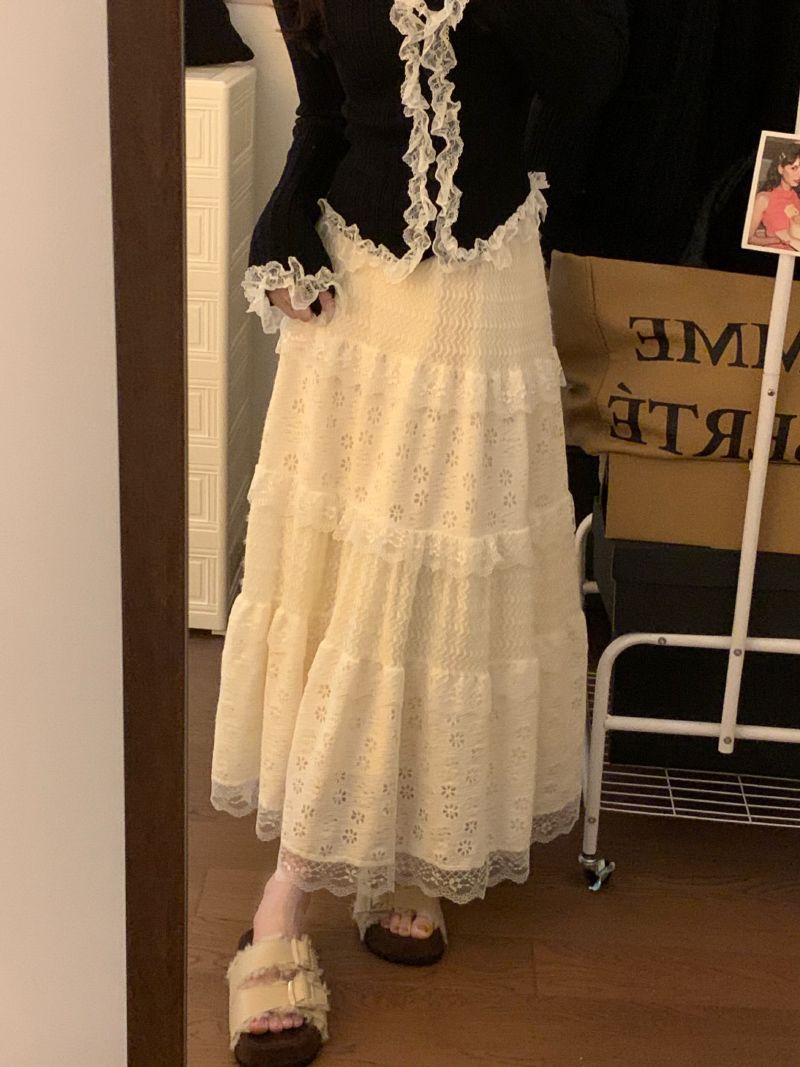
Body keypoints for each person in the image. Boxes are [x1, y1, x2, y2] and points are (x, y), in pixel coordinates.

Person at [209, 2, 628, 1063]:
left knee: (437, 576)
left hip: (486, 285)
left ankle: (370, 858)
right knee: (351, 575)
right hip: (357, 290)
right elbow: (323, 117)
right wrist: (279, 230)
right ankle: (297, 889)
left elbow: (590, 78)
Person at [747, 140, 800, 252]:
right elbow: (748, 238)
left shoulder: (795, 196)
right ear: (780, 169)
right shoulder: (764, 198)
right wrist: (777, 240)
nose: (799, 174)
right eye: (794, 168)